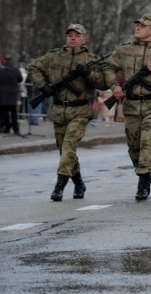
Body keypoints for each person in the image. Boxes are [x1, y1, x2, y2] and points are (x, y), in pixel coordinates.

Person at [28, 24, 108, 201]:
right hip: (58, 109)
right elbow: (33, 68)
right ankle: (79, 183)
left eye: (77, 35)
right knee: (65, 152)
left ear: (84, 39)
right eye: (70, 35)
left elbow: (103, 83)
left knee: (69, 146)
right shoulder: (54, 55)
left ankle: (59, 186)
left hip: (79, 110)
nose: (73, 38)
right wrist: (43, 86)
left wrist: (88, 74)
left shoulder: (91, 59)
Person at [102, 14, 151, 200]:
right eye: (137, 25)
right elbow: (108, 67)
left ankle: (143, 180)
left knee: (147, 142)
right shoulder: (124, 50)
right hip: (131, 104)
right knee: (133, 145)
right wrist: (115, 86)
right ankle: (143, 172)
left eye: (143, 26)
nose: (138, 28)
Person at [0, 57, 23, 135]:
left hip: (2, 94)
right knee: (13, 112)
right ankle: (16, 129)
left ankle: (7, 128)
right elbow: (20, 79)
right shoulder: (16, 70)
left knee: (4, 112)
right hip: (13, 94)